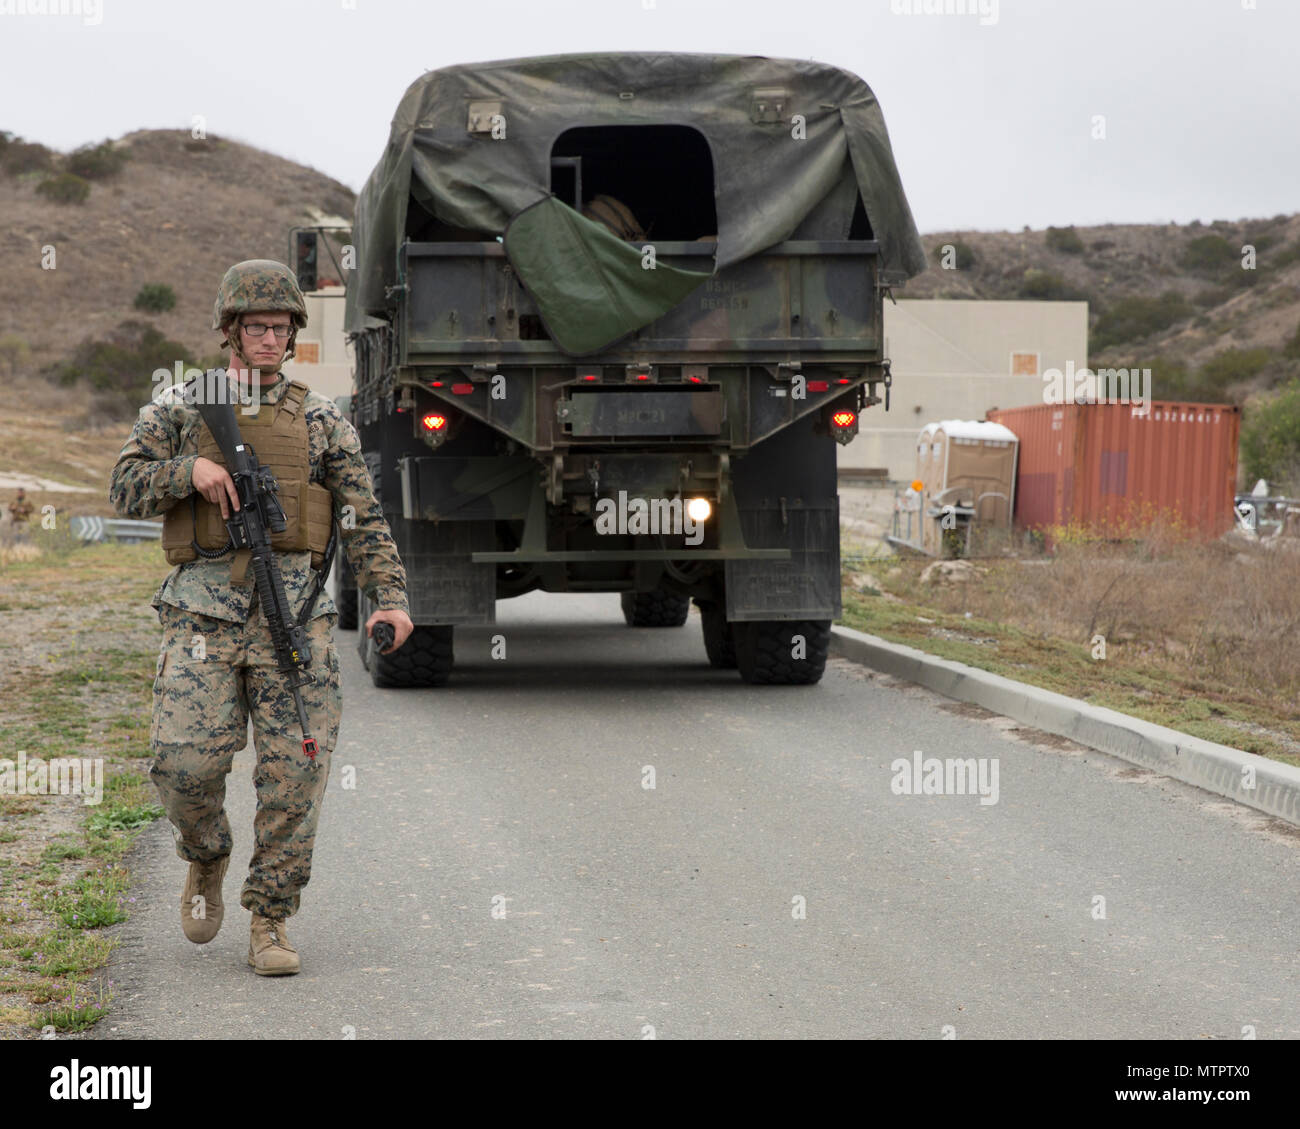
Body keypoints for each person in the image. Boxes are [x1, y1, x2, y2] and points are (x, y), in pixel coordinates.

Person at [109, 260, 413, 976]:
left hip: (295, 621)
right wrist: (191, 473)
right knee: (184, 766)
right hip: (201, 621)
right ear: (230, 332)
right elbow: (124, 484)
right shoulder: (183, 408)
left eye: (280, 327)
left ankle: (270, 917)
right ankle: (206, 857)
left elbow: (362, 514)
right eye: (256, 327)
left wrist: (391, 596)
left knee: (295, 776)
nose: (270, 338)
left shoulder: (320, 418)